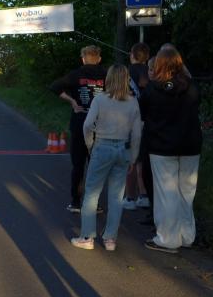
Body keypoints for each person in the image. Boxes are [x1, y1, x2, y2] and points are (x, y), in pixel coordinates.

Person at [71, 65, 142, 251]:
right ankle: (110, 239)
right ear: (126, 80)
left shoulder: (100, 99)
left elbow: (87, 125)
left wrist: (90, 144)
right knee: (116, 197)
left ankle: (87, 237)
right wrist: (133, 157)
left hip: (102, 147)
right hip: (123, 149)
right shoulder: (133, 102)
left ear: (108, 79)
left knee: (92, 193)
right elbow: (137, 134)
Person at [138, 46, 202, 253]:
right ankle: (187, 235)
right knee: (187, 192)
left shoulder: (152, 90)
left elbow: (142, 114)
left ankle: (167, 238)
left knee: (166, 193)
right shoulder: (192, 87)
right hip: (190, 145)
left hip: (161, 147)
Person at [49, 45, 107, 213]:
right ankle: (94, 204)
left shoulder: (76, 74)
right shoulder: (107, 75)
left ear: (83, 59)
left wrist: (73, 101)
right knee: (96, 166)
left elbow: (54, 87)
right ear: (99, 59)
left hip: (80, 123)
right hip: (101, 125)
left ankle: (75, 202)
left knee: (78, 165)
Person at [123, 42, 152, 211]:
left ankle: (129, 197)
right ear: (147, 57)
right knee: (142, 159)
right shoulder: (152, 73)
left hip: (129, 121)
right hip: (148, 121)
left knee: (130, 159)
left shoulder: (125, 73)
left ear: (132, 55)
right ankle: (144, 195)